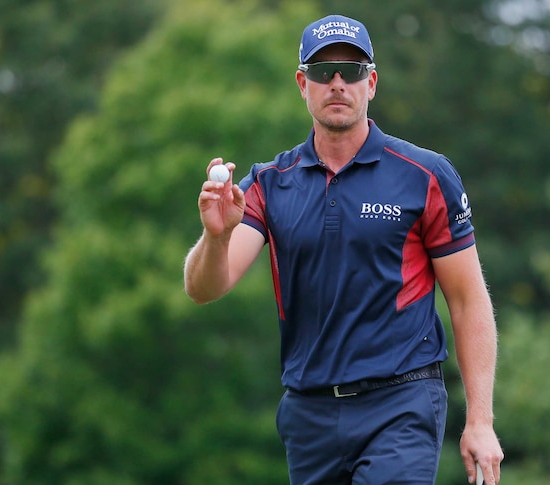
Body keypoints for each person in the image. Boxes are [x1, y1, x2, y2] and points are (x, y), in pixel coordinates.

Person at [184, 14, 503, 485]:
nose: (337, 82)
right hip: (309, 412)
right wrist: (216, 236)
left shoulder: (425, 175)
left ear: (371, 83)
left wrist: (480, 420)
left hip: (402, 401)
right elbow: (205, 288)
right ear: (302, 83)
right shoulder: (269, 184)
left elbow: (468, 298)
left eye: (351, 71)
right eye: (323, 70)